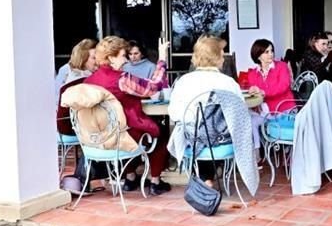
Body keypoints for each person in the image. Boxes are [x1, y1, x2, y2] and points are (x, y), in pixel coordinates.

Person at [82, 36, 171, 195]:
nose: (126, 60)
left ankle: (130, 178)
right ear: (110, 57)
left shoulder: (88, 81)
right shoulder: (122, 79)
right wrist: (162, 59)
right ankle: (155, 181)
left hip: (100, 136)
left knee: (124, 130)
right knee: (161, 131)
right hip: (124, 133)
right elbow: (154, 87)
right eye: (123, 55)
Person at [169, 36, 251, 187]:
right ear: (217, 57)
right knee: (214, 131)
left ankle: (204, 179)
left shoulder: (183, 81)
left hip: (192, 140)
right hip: (221, 140)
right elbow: (240, 116)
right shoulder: (228, 83)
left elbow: (174, 114)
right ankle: (210, 177)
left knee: (198, 133)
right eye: (222, 52)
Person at [243, 39, 294, 113]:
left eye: (271, 51)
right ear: (258, 56)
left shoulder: (282, 66)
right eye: (267, 52)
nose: (271, 54)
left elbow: (283, 86)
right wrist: (252, 91)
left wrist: (263, 92)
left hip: (284, 110)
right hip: (263, 111)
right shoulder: (252, 74)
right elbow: (256, 95)